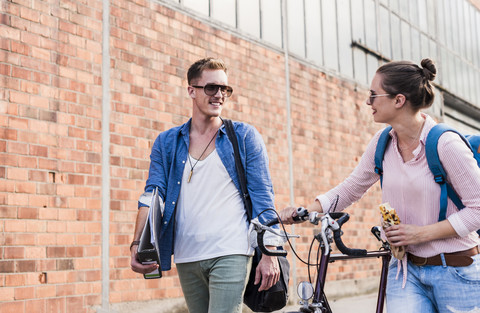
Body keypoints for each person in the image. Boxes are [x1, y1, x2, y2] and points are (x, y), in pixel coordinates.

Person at [280, 59, 480, 313]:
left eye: (374, 95)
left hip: (456, 271)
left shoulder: (446, 144)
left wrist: (420, 234)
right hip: (405, 272)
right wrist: (305, 211)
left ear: (399, 100)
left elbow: (478, 209)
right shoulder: (383, 142)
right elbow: (352, 187)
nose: (368, 102)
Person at [130, 57, 280, 313]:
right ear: (191, 90)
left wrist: (270, 253)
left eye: (225, 89)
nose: (219, 95)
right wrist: (137, 244)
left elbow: (263, 199)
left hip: (231, 250)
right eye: (211, 87)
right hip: (187, 254)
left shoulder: (244, 137)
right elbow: (152, 195)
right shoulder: (167, 143)